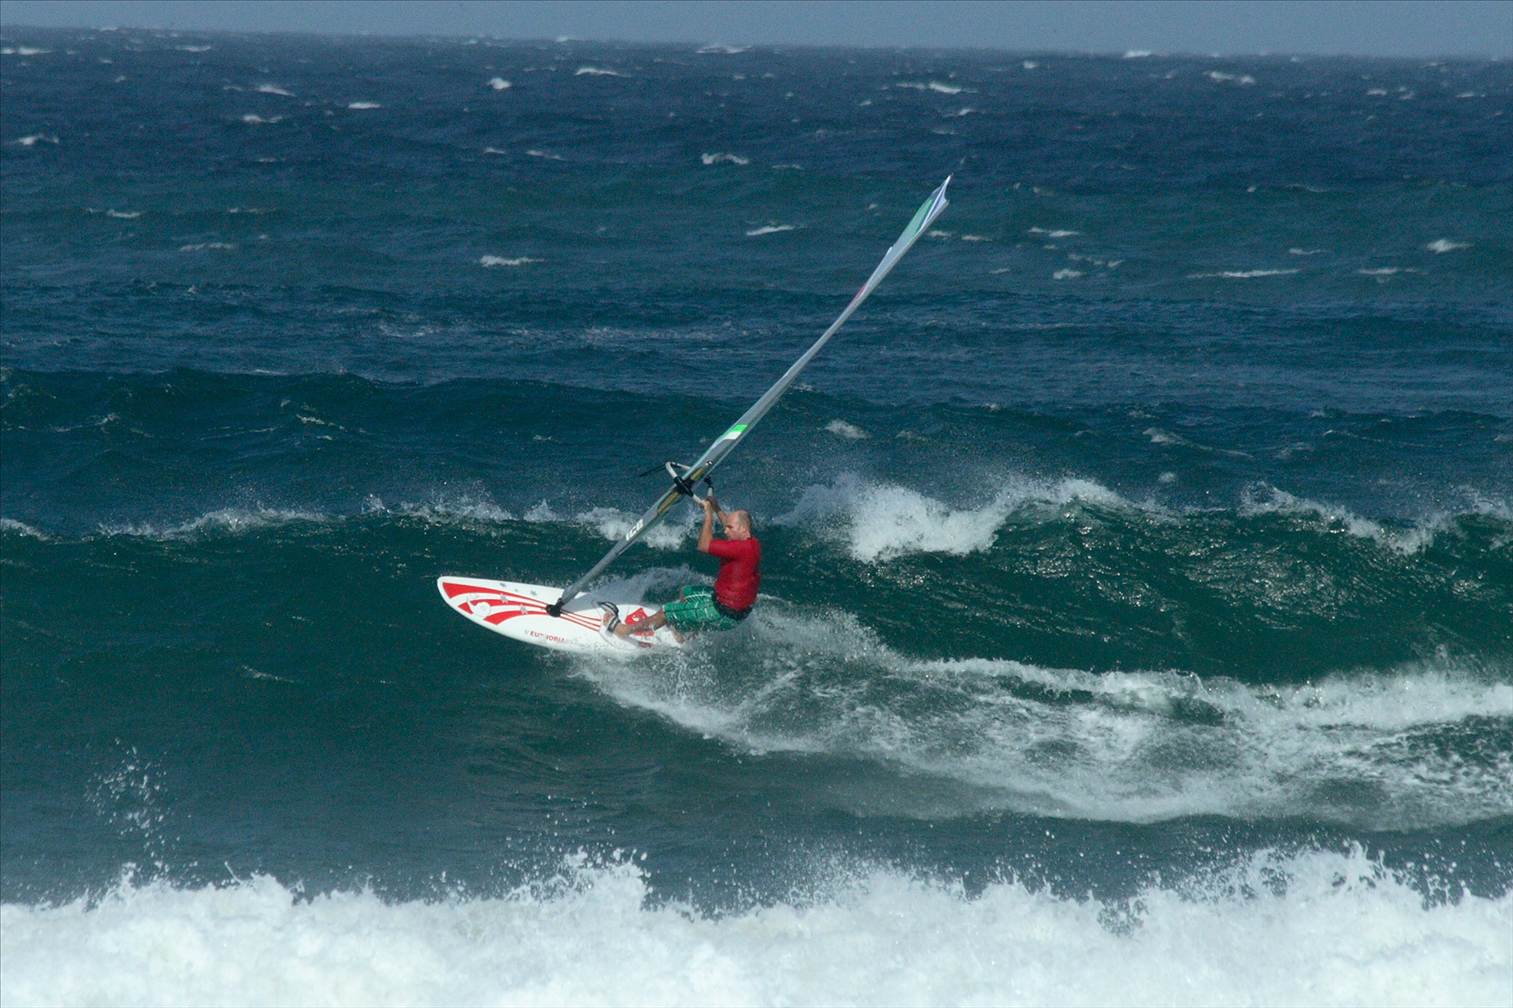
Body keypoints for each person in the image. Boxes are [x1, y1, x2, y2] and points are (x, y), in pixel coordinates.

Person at [601, 494, 760, 641]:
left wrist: (708, 513)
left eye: (729, 528)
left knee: (666, 612)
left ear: (743, 529)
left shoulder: (740, 549)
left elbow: (704, 545)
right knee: (686, 592)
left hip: (724, 613)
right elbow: (729, 523)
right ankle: (684, 632)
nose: (725, 530)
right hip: (732, 607)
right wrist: (716, 507)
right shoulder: (751, 543)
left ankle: (624, 630)